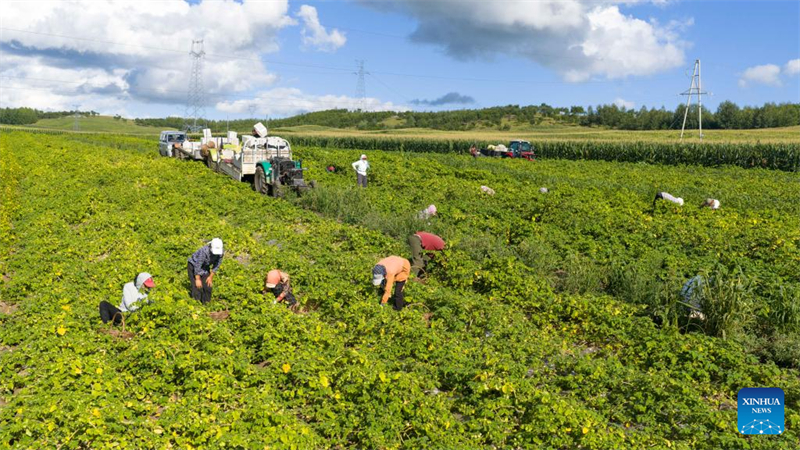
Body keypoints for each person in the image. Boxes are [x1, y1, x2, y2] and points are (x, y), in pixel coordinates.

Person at [188, 238, 224, 304]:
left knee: (208, 286)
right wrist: (197, 279)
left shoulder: (221, 252)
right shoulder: (204, 251)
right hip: (193, 265)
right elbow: (198, 265)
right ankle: (197, 304)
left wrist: (210, 277)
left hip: (205, 267)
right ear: (211, 247)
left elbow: (217, 265)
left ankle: (206, 304)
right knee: (197, 287)